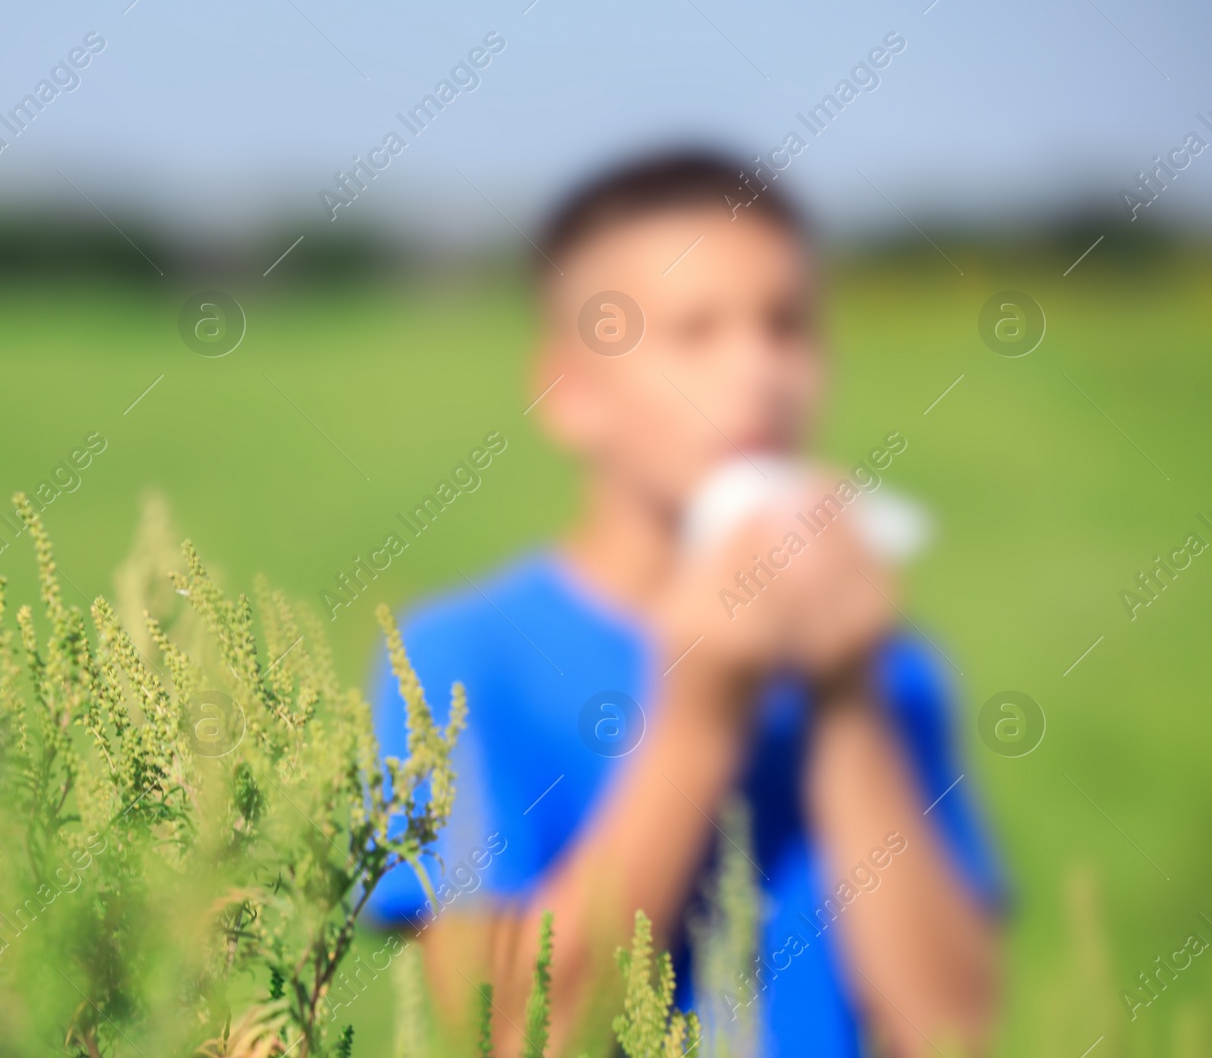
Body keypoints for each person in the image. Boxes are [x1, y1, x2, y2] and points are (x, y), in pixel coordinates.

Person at [364, 152, 1002, 1057]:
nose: (758, 373)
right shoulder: (461, 660)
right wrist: (699, 717)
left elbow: (953, 1027)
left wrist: (850, 704)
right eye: (693, 332)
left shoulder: (886, 667)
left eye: (787, 326)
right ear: (572, 392)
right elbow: (509, 1028)